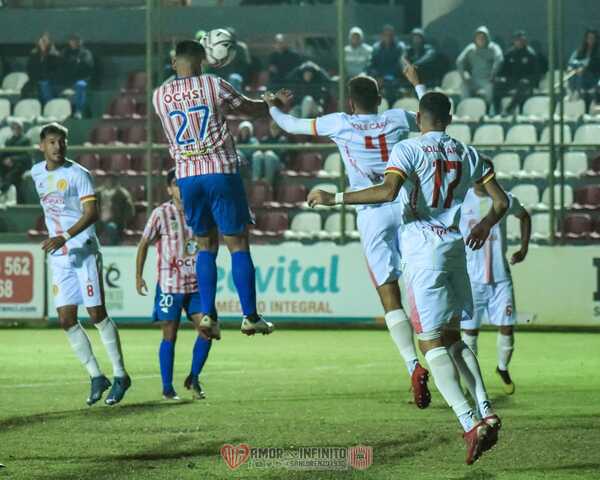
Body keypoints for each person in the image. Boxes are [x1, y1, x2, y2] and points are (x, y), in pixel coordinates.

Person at [307, 92, 509, 465]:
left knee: (431, 345)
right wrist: (483, 225)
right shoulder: (469, 153)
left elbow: (387, 191)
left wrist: (333, 197)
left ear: (419, 119)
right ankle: (486, 409)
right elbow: (501, 202)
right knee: (452, 338)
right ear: (449, 117)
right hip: (454, 252)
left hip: (423, 253)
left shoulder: (407, 150)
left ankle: (469, 423)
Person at [264, 63, 432, 409]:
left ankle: (413, 364)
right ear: (380, 98)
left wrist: (272, 105)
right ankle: (443, 351)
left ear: (351, 103)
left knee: (388, 291)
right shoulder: (399, 118)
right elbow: (433, 118)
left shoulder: (339, 122)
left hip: (370, 212)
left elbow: (291, 125)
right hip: (405, 204)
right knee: (423, 281)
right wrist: (417, 84)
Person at [152, 39, 275, 339]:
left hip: (186, 177)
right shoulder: (213, 84)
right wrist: (271, 102)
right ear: (203, 59)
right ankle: (250, 316)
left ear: (173, 63)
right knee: (237, 244)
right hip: (219, 170)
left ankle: (208, 315)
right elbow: (250, 109)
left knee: (205, 246)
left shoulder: (159, 95)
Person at [30, 122, 131, 406]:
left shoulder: (78, 174)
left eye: (62, 141)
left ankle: (121, 375)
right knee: (66, 320)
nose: (57, 147)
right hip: (60, 256)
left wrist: (63, 236)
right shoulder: (37, 173)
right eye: (51, 142)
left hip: (83, 249)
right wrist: (58, 239)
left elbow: (92, 213)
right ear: (42, 146)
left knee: (97, 314)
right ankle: (97, 376)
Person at [136, 169, 213, 400]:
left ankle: (194, 377)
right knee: (169, 334)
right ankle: (167, 388)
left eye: (184, 183)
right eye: (176, 184)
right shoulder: (161, 213)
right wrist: (138, 276)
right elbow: (143, 244)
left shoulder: (200, 211)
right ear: (169, 189)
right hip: (169, 285)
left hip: (196, 286)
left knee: (209, 331)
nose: (181, 188)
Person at [460, 185, 530, 395]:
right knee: (470, 332)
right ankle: (470, 377)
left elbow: (524, 216)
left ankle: (502, 368)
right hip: (472, 279)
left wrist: (524, 248)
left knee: (507, 327)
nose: (486, 182)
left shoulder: (505, 199)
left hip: (500, 278)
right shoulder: (462, 199)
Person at [495, 30, 542, 114]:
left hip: (526, 83)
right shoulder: (509, 54)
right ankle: (496, 112)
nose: (519, 42)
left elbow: (536, 73)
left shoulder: (531, 54)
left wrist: (529, 80)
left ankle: (509, 109)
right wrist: (501, 78)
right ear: (514, 41)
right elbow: (503, 71)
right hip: (512, 81)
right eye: (517, 40)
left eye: (522, 40)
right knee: (497, 85)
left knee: (522, 85)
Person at [456, 26, 503, 107]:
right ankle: (465, 108)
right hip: (474, 79)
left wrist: (493, 75)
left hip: (488, 80)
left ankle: (487, 109)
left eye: (483, 37)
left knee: (490, 88)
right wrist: (463, 77)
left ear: (487, 37)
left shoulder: (493, 47)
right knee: (464, 86)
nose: (480, 39)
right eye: (478, 37)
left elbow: (499, 58)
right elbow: (459, 61)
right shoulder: (470, 48)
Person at [368, 24, 405, 104]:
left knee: (391, 91)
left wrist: (387, 77)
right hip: (379, 78)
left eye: (390, 35)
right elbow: (372, 65)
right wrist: (377, 77)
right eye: (386, 35)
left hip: (394, 78)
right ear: (382, 36)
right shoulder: (376, 48)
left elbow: (399, 65)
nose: (388, 37)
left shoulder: (399, 47)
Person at [61, 34, 95, 119]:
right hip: (68, 80)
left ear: (79, 42)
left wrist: (75, 63)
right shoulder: (65, 52)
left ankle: (78, 111)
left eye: (75, 41)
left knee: (80, 85)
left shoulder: (85, 53)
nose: (73, 43)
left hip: (83, 78)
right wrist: (75, 62)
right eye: (71, 41)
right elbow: (61, 66)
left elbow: (88, 65)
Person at [96, 173, 135, 246]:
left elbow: (129, 211)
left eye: (112, 180)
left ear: (116, 182)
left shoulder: (122, 194)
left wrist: (123, 221)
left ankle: (113, 247)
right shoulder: (97, 193)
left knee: (111, 227)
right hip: (98, 220)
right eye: (107, 180)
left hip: (115, 222)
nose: (109, 182)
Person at [25, 32, 61, 104]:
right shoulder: (34, 54)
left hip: (51, 80)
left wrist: (46, 78)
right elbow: (30, 68)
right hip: (36, 79)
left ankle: (49, 106)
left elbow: (56, 70)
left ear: (49, 42)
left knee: (44, 85)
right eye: (41, 41)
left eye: (45, 41)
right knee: (26, 88)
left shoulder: (54, 54)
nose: (43, 43)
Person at [0, 120, 31, 201]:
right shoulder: (9, 140)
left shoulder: (26, 140)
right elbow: (4, 153)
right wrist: (4, 160)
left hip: (20, 164)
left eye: (17, 127)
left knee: (12, 173)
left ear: (21, 129)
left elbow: (26, 157)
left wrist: (12, 159)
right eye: (13, 127)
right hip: (8, 164)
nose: (15, 129)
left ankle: (3, 189)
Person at [568, 29, 600, 100]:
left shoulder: (598, 53)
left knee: (580, 71)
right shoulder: (580, 51)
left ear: (596, 40)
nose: (590, 40)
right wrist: (571, 67)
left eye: (592, 38)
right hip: (578, 73)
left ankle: (576, 91)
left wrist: (585, 67)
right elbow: (572, 60)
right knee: (574, 68)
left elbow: (596, 66)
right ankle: (573, 91)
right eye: (588, 38)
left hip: (593, 76)